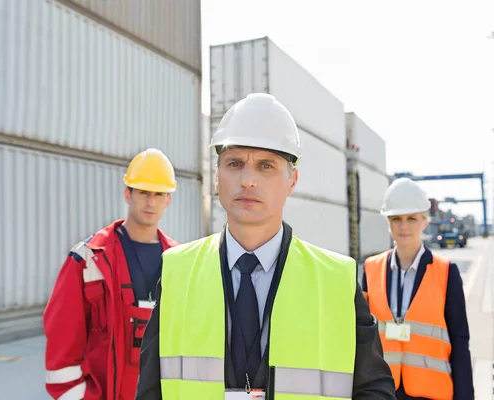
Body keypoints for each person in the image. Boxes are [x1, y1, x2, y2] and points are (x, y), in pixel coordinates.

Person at [136, 93, 396, 399]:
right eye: (234, 163)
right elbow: (151, 390)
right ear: (217, 177)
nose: (248, 180)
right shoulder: (177, 273)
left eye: (266, 166)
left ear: (292, 180)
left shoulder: (336, 281)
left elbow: (374, 390)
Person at [43, 148, 180, 400]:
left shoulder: (180, 261)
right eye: (143, 193)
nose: (151, 202)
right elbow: (62, 345)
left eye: (159, 194)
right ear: (128, 194)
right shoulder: (89, 259)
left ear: (167, 200)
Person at [362, 178, 473, 400]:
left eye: (411, 218)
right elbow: (363, 339)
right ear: (388, 223)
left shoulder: (446, 272)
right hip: (383, 391)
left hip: (431, 394)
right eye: (397, 219)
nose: (404, 226)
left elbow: (460, 342)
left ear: (424, 221)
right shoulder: (370, 269)